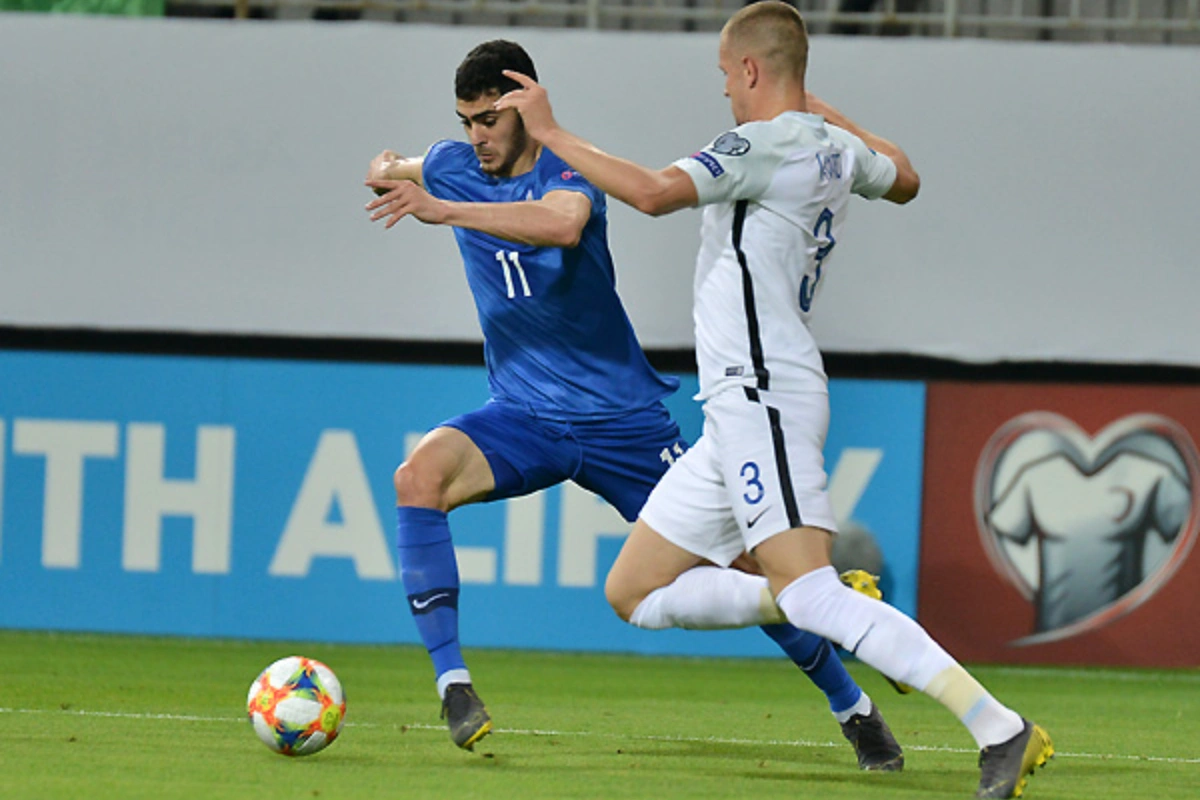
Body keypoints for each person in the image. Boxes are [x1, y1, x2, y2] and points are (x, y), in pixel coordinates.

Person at [494, 4, 1055, 798]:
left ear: (751, 70)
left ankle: (1001, 728)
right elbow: (907, 177)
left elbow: (654, 193)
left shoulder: (756, 146)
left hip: (764, 397)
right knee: (635, 592)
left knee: (812, 591)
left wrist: (551, 131)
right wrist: (819, 109)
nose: (724, 91)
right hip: (733, 412)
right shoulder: (832, 145)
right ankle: (797, 598)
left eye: (726, 74)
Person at [363, 39, 904, 768]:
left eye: (489, 118)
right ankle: (455, 687)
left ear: (525, 105)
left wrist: (443, 211)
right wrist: (388, 168)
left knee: (748, 563)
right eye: (466, 121)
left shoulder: (567, 169)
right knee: (416, 479)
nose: (477, 136)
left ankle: (854, 708)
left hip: (622, 421)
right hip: (523, 416)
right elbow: (396, 165)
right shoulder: (454, 163)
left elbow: (561, 224)